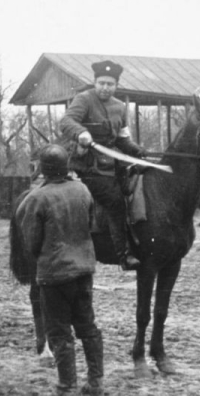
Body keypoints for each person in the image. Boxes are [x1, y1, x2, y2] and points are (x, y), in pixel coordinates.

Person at [17, 144, 104, 396]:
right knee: (88, 327)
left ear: (43, 169)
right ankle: (96, 382)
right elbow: (91, 225)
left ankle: (67, 385)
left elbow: (31, 243)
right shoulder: (83, 190)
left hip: (54, 275)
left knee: (59, 332)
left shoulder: (36, 198)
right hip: (84, 271)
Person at [59, 60, 145, 271]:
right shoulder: (84, 99)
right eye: (101, 83)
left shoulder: (120, 107)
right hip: (87, 165)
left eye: (110, 84)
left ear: (116, 85)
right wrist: (82, 133)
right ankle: (123, 255)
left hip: (112, 165)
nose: (105, 88)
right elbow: (66, 122)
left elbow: (122, 139)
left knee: (135, 188)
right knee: (115, 201)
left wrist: (137, 151)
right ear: (95, 82)